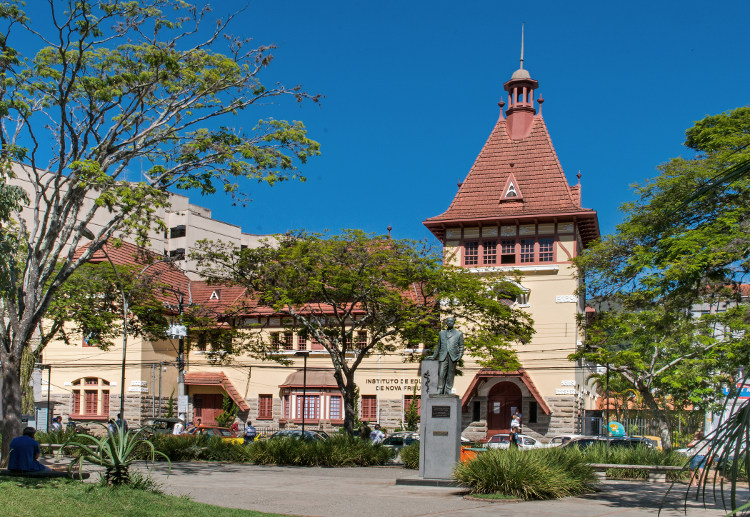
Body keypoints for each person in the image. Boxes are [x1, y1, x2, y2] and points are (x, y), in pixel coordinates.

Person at [428, 317, 465, 395]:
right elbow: (438, 346)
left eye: (451, 321)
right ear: (446, 323)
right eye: (448, 321)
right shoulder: (441, 333)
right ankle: (440, 389)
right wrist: (434, 356)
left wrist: (460, 355)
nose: (449, 323)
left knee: (450, 373)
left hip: (453, 356)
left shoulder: (459, 334)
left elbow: (461, 346)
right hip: (443, 356)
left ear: (454, 323)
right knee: (441, 373)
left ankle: (448, 389)